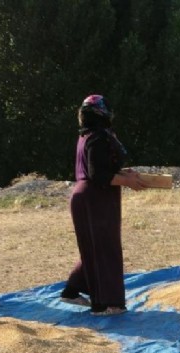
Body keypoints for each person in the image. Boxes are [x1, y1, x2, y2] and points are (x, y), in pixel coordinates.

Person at [60, 94, 146, 316]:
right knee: (105, 248)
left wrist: (123, 173)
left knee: (95, 247)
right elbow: (98, 174)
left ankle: (73, 289)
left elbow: (99, 168)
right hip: (95, 197)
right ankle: (105, 303)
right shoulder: (98, 137)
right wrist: (127, 181)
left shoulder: (87, 135)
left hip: (89, 196)